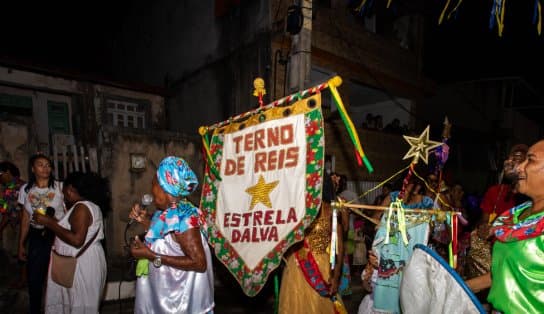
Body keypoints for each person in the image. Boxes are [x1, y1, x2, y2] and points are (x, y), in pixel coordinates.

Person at [467, 140, 544, 313]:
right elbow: (506, 273)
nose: (518, 167)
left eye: (530, 160)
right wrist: (457, 286)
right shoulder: (518, 215)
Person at [129, 156, 214, 314]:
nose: (152, 189)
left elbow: (199, 263)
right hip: (164, 297)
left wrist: (151, 255)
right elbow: (166, 234)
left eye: (154, 184)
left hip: (180, 304)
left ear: (166, 188)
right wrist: (144, 220)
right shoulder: (172, 211)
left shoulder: (185, 218)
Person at [33, 171, 108, 313]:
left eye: (64, 192)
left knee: (81, 304)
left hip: (82, 265)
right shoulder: (85, 206)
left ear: (70, 189)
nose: (63, 195)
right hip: (79, 264)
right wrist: (53, 221)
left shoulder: (82, 207)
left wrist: (49, 223)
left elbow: (77, 239)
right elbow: (71, 229)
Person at [360, 177, 434, 314]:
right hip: (391, 245)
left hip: (412, 247)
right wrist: (384, 228)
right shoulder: (394, 197)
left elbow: (433, 227)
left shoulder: (425, 201)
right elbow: (376, 218)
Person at [279, 173, 346, 314]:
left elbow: (339, 246)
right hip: (295, 267)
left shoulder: (331, 210)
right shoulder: (296, 208)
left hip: (320, 269)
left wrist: (336, 276)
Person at [18, 154, 65, 314]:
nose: (45, 168)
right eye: (40, 165)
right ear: (32, 169)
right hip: (36, 236)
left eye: (48, 165)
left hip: (57, 234)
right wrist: (21, 244)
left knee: (56, 276)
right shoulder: (25, 189)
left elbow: (68, 213)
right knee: (34, 278)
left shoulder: (60, 187)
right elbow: (25, 218)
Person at [0, 161, 26, 288]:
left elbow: (23, 211)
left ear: (8, 172)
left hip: (24, 226)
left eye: (0, 174)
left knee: (23, 254)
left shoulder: (21, 187)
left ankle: (23, 280)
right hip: (17, 225)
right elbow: (6, 211)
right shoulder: (7, 189)